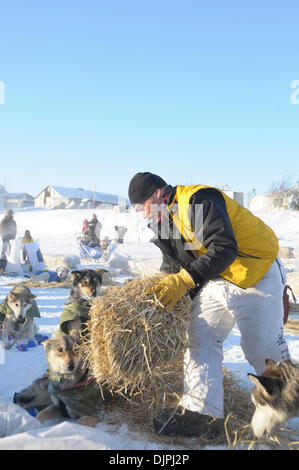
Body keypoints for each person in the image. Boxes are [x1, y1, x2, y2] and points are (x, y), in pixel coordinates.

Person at [128, 172, 290, 438]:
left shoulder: (198, 200)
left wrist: (185, 280)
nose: (141, 213)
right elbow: (173, 265)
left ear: (157, 193)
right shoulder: (164, 218)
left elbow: (224, 247)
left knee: (261, 349)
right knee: (199, 334)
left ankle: (287, 403)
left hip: (256, 274)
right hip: (220, 277)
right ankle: (203, 413)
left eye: (141, 206)